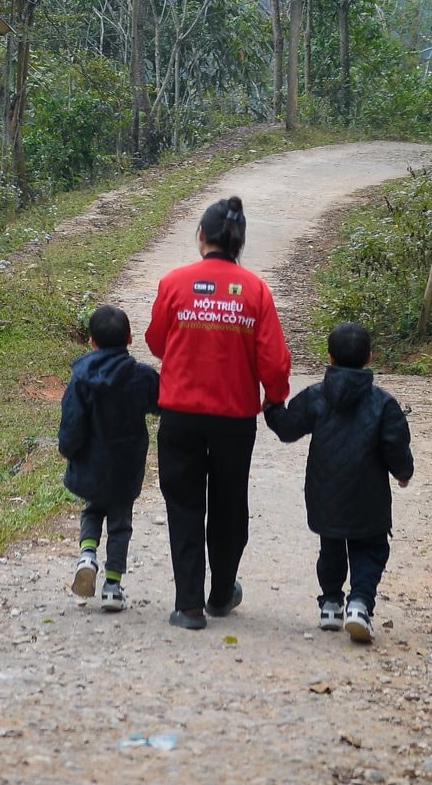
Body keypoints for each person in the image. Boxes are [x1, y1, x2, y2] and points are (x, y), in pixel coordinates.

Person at [145, 194, 291, 630]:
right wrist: (274, 399)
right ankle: (222, 593)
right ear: (237, 242)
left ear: (201, 237)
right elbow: (274, 361)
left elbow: (156, 342)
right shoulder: (255, 291)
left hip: (180, 415)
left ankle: (188, 605)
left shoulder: (174, 283)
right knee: (229, 505)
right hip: (234, 419)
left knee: (184, 505)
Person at [264, 318, 414, 643]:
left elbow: (289, 428)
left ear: (329, 357)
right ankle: (359, 604)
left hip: (325, 493)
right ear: (370, 357)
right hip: (369, 496)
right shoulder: (383, 403)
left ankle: (331, 603)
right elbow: (395, 444)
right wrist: (403, 473)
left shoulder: (317, 396)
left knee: (330, 547)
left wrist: (272, 404)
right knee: (370, 549)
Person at [57, 302, 160, 611]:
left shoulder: (80, 377)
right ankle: (113, 586)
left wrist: (68, 449)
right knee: (119, 523)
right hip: (125, 465)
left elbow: (72, 420)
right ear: (130, 338)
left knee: (91, 510)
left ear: (92, 341)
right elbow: (160, 403)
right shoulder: (141, 376)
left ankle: (87, 555)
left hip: (90, 461)